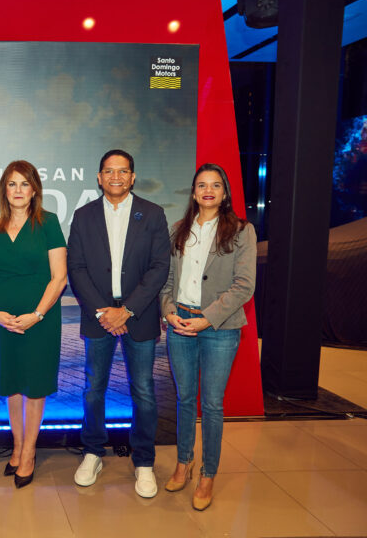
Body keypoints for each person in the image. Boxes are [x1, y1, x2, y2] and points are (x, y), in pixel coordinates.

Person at [67, 149, 170, 498]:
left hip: (138, 316)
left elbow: (159, 267)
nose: (116, 176)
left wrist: (127, 310)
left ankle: (144, 460)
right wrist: (103, 311)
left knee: (143, 390)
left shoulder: (153, 214)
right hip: (98, 317)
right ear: (99, 177)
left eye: (123, 171)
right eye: (109, 171)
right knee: (93, 388)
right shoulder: (83, 216)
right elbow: (76, 268)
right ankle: (93, 452)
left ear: (132, 177)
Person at [159, 163, 256, 511]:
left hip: (219, 328)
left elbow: (244, 286)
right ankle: (183, 462)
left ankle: (208, 474)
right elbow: (167, 283)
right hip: (180, 324)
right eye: (202, 185)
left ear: (225, 192)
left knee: (212, 404)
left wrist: (207, 319)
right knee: (185, 398)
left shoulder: (242, 231)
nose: (208, 190)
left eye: (216, 185)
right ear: (194, 192)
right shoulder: (178, 230)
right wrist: (169, 312)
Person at [0, 160, 67, 488]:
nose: (18, 190)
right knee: (11, 384)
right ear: (4, 189)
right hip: (1, 323)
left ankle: (29, 453)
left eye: (24, 184)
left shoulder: (49, 223)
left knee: (36, 385)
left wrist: (37, 315)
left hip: (40, 321)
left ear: (34, 190)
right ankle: (16, 447)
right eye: (12, 184)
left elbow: (59, 278)